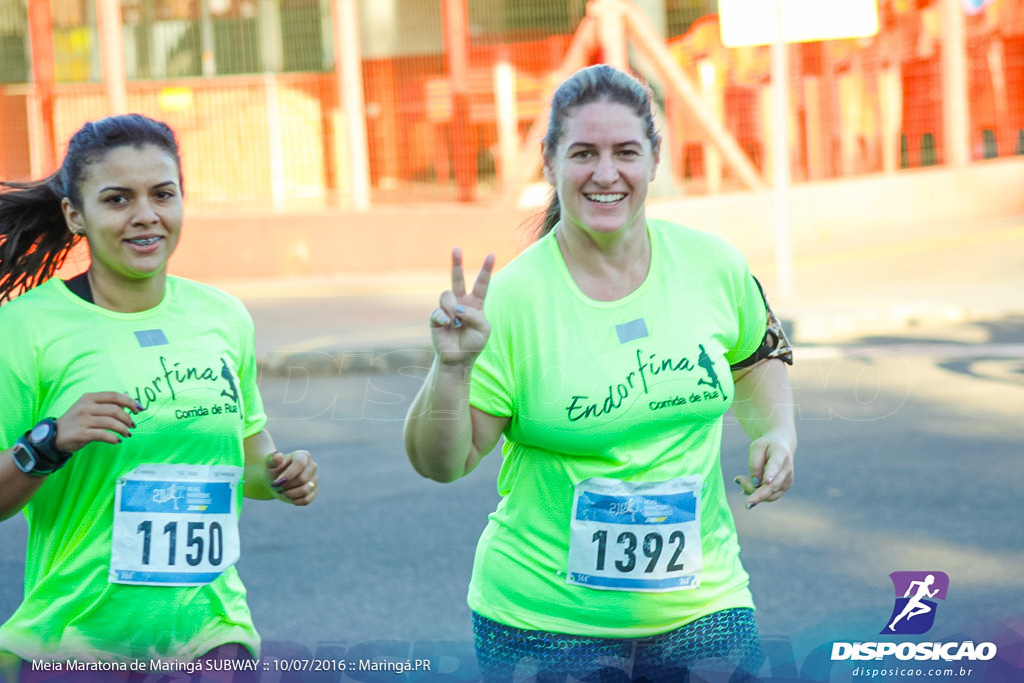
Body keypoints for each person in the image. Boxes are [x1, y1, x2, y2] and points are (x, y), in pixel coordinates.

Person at [404, 64, 796, 682]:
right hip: (545, 622)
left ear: (654, 159)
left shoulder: (713, 265)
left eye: (626, 152)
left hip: (705, 606)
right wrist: (450, 370)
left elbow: (755, 354)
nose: (606, 173)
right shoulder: (513, 301)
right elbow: (441, 463)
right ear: (550, 162)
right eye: (584, 153)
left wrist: (776, 431)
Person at [0, 114, 319, 675]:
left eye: (162, 194)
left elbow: (247, 454)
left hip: (212, 635)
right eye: (118, 199)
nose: (146, 215)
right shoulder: (26, 330)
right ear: (76, 214)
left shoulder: (222, 317)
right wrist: (48, 442)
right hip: (73, 642)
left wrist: (277, 473)